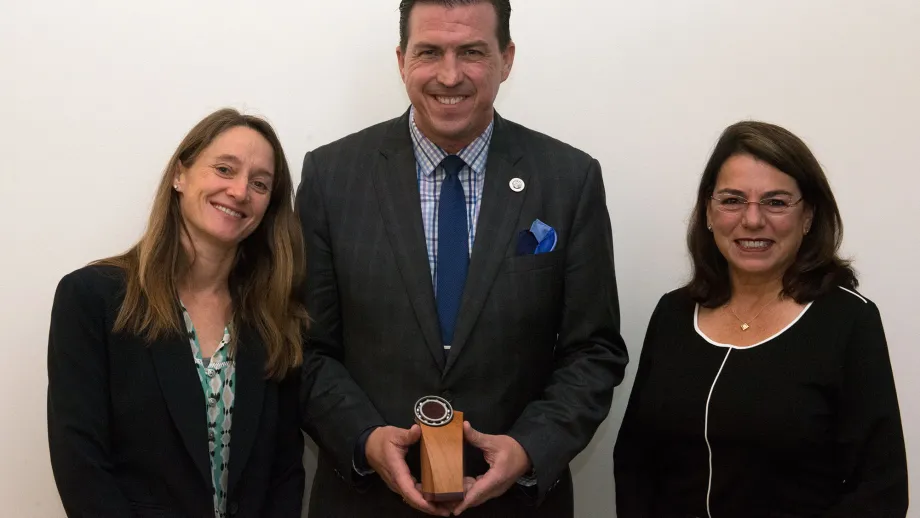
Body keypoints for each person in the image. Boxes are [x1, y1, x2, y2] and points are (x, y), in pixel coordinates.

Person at [296, 1, 627, 516]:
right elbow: (305, 348)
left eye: (471, 52)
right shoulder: (331, 177)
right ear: (403, 60)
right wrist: (363, 439)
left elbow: (594, 351)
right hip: (367, 504)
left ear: (506, 59)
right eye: (430, 52)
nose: (449, 76)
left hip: (517, 505)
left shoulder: (569, 180)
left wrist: (528, 450)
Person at [613, 121, 908, 517]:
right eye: (732, 200)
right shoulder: (674, 314)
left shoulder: (848, 321)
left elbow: (881, 489)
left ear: (808, 217)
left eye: (776, 202)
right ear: (708, 213)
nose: (752, 220)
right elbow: (635, 459)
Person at [47, 108, 307, 518]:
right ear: (179, 175)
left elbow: (286, 471)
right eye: (224, 169)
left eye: (259, 184)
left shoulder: (273, 319)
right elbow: (81, 464)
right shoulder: (92, 298)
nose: (240, 191)